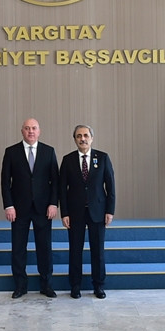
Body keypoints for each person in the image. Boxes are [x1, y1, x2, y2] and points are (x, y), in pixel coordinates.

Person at [0, 118, 59, 299]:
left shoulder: (49, 151)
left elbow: (55, 181)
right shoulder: (11, 152)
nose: (30, 131)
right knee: (18, 248)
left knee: (45, 248)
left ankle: (46, 285)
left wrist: (53, 203)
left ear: (39, 131)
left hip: (43, 209)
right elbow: (5, 182)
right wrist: (9, 205)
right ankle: (20, 286)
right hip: (18, 209)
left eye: (34, 128)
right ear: (22, 131)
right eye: (27, 128)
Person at [59, 124, 115, 299]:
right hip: (75, 213)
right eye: (78, 136)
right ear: (75, 139)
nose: (82, 139)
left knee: (98, 251)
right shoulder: (67, 160)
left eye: (85, 135)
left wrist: (110, 210)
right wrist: (64, 213)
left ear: (91, 138)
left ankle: (98, 286)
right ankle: (75, 286)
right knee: (75, 251)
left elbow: (110, 186)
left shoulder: (103, 158)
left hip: (98, 211)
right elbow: (62, 189)